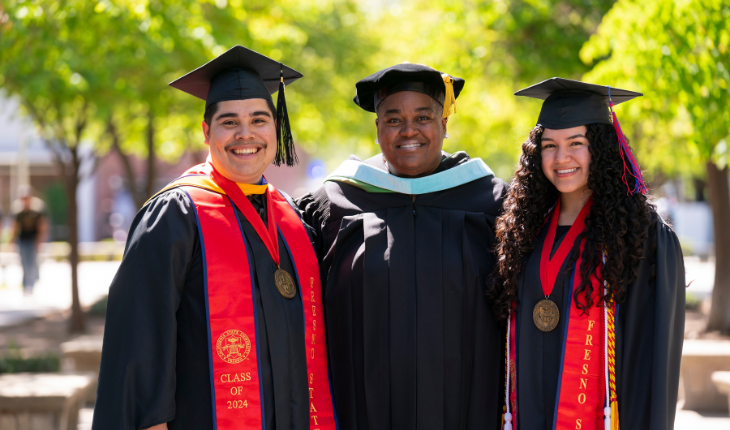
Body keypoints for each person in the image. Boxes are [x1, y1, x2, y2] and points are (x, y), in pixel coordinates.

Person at [92, 46, 337, 430]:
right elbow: (138, 344)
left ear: (276, 128)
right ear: (207, 132)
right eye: (229, 122)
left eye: (259, 120)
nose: (246, 134)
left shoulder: (292, 216)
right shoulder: (175, 214)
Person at [297, 63, 508, 429]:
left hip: (468, 408)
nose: (409, 131)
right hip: (362, 409)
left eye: (423, 117)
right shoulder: (334, 204)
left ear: (444, 124)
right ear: (377, 129)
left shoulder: (493, 202)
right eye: (393, 120)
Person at [488, 78, 685, 430]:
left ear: (602, 147)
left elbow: (652, 357)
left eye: (576, 143)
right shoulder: (523, 231)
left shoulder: (642, 234)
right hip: (529, 410)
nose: (561, 158)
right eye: (549, 145)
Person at [11, 186, 47, 295]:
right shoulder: (19, 212)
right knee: (24, 262)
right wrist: (12, 241)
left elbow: (42, 226)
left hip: (32, 239)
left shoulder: (37, 211)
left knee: (32, 262)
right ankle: (26, 284)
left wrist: (40, 240)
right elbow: (15, 227)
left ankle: (30, 285)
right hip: (22, 240)